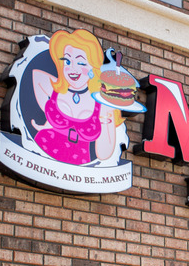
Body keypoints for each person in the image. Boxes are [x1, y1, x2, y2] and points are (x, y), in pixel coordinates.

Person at [31, 29, 123, 165]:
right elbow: (36, 77)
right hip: (39, 155)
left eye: (81, 63)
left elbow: (104, 154)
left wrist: (107, 114)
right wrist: (47, 124)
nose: (73, 69)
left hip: (77, 169)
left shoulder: (102, 105)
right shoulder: (54, 89)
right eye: (67, 62)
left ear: (94, 67)